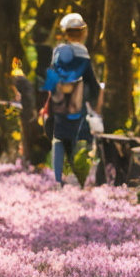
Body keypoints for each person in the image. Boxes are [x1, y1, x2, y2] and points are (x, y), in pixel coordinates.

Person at [41, 13, 101, 185]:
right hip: (78, 105)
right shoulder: (84, 55)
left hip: (59, 103)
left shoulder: (58, 53)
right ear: (82, 33)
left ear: (65, 34)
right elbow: (92, 83)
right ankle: (79, 177)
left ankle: (58, 179)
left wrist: (48, 102)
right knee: (77, 139)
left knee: (58, 138)